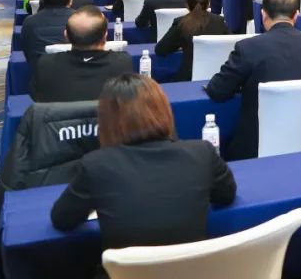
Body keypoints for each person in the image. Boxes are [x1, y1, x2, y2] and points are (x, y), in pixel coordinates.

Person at [50, 74, 237, 254]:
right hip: (193, 269)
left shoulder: (96, 165)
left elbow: (62, 219)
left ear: (107, 122)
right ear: (164, 111)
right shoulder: (201, 153)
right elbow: (225, 195)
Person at [206, 0, 301, 160]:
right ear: (296, 15)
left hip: (256, 146)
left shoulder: (248, 47)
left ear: (263, 14)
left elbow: (217, 90)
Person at [30, 6, 133, 102]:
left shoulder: (46, 64)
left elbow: (36, 97)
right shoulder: (123, 62)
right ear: (105, 36)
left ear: (66, 36)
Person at [156, 0, 230, 82]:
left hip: (187, 79)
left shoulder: (181, 22)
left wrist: (179, 44)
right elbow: (230, 44)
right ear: (209, 4)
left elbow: (160, 49)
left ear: (187, 5)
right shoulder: (219, 21)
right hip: (218, 77)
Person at [21, 0, 76, 68]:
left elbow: (27, 53)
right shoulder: (83, 20)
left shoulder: (29, 22)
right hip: (77, 72)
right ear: (70, 0)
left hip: (39, 73)